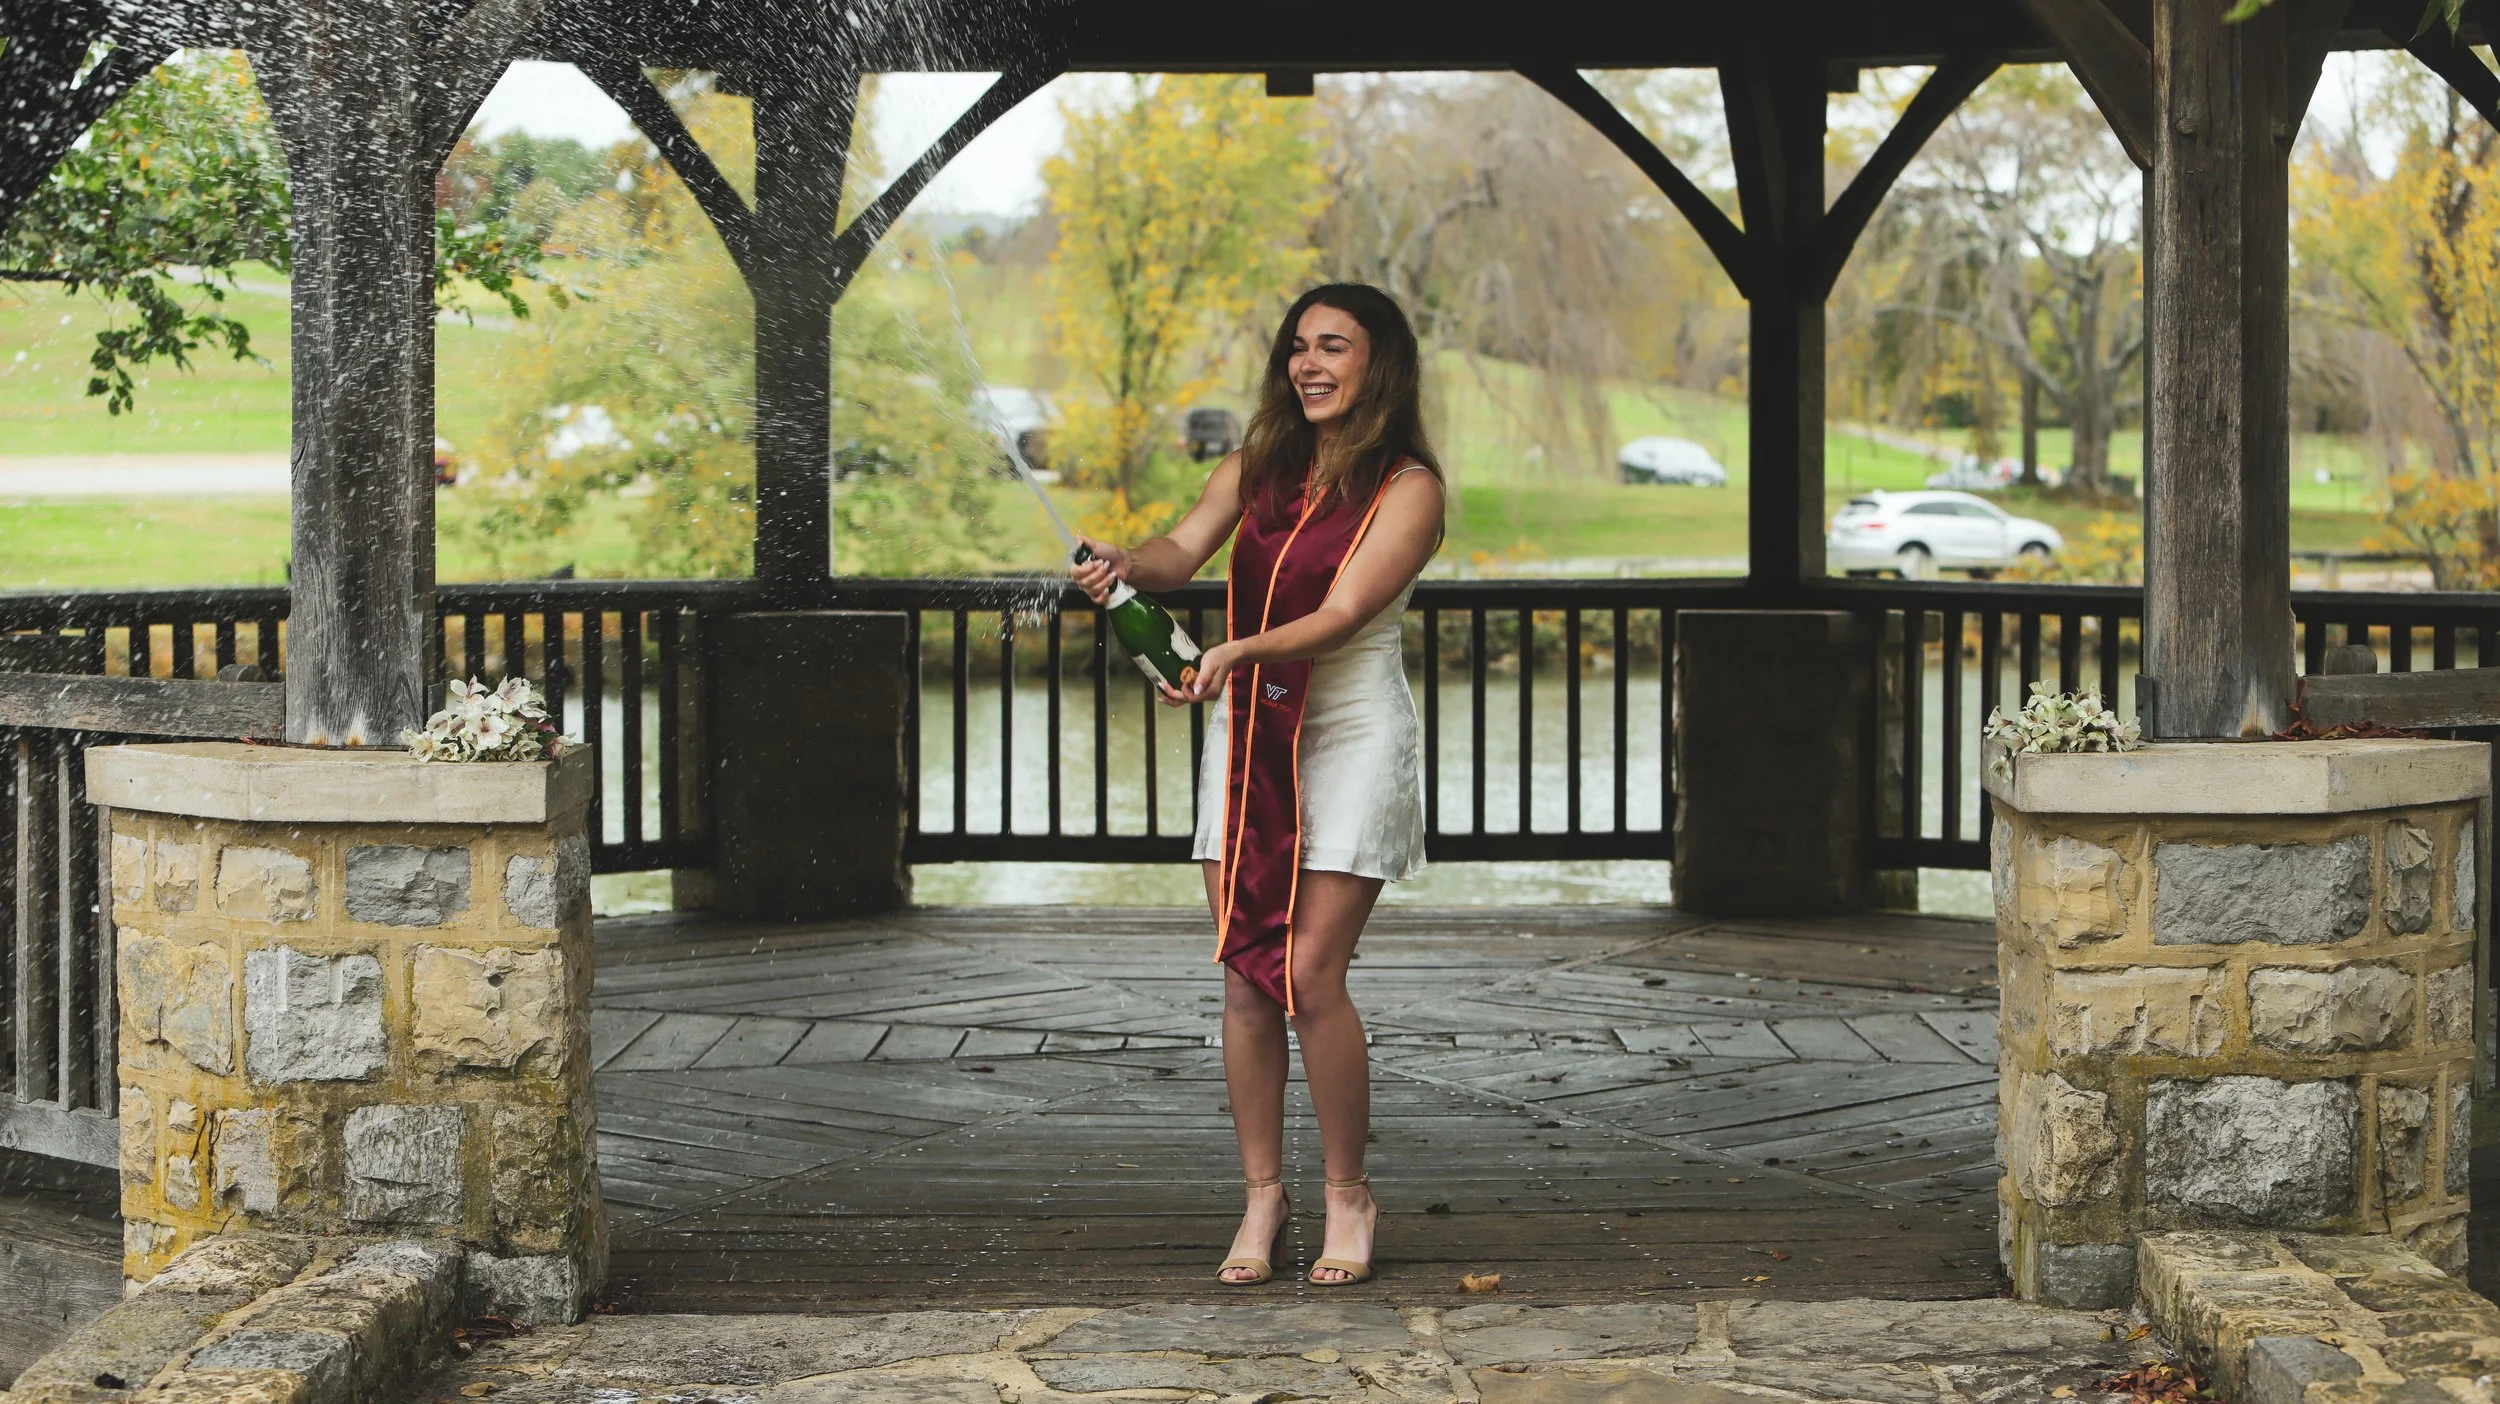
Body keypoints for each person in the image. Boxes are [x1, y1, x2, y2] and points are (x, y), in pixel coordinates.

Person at [1072, 283, 1444, 1287]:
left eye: (1334, 346)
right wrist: (1125, 564)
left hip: (1349, 726)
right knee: (1245, 974)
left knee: (1310, 976)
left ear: (1380, 364)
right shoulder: (1255, 467)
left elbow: (1343, 613)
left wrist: (1234, 650)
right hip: (1249, 729)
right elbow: (1179, 551)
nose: (1309, 364)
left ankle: (1346, 1195)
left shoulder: (1408, 487)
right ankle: (1261, 1198)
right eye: (1297, 347)